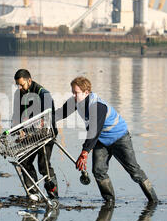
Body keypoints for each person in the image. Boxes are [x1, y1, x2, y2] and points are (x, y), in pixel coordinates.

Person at [55, 76, 158, 204]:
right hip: (101, 140)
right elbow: (61, 113)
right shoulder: (76, 102)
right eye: (72, 92)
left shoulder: (97, 106)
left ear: (86, 92)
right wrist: (46, 120)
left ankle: (154, 201)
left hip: (119, 138)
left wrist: (84, 152)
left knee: (134, 172)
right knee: (98, 171)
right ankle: (109, 202)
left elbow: (94, 131)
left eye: (76, 93)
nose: (74, 96)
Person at [12, 69, 58, 199]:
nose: (20, 88)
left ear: (29, 80)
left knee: (43, 166)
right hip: (30, 135)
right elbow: (16, 115)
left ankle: (53, 195)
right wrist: (18, 130)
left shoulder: (43, 94)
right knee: (23, 160)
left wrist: (40, 126)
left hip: (47, 134)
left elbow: (49, 117)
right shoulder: (19, 94)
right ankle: (33, 193)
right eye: (18, 85)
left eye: (22, 85)